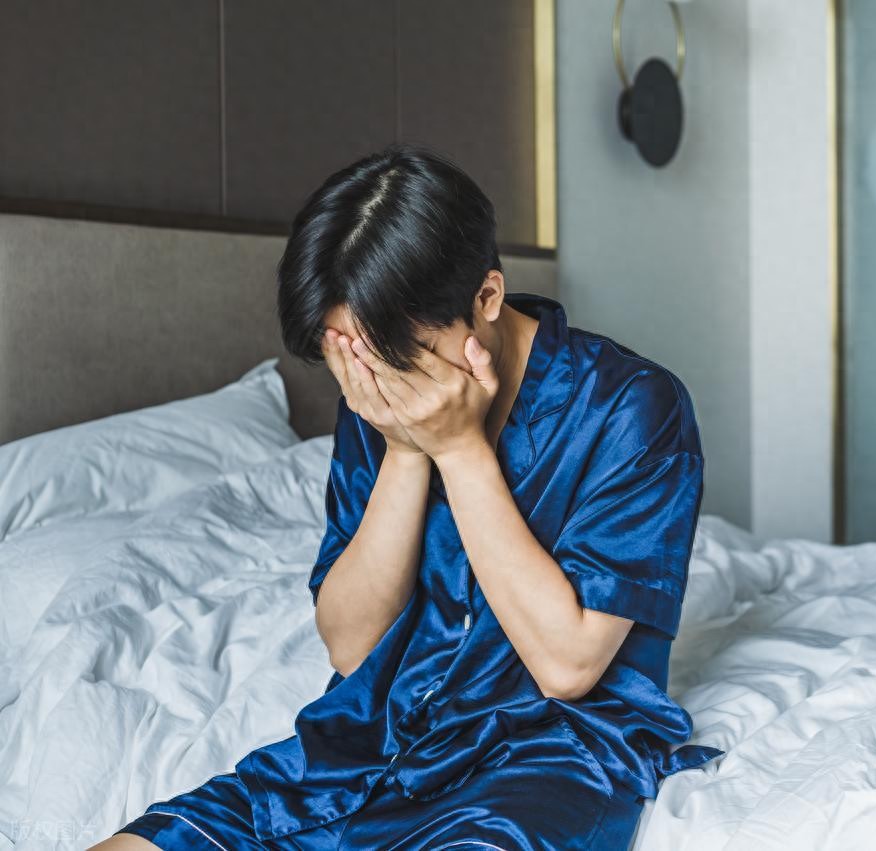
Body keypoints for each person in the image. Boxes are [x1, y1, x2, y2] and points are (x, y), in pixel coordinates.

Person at [92, 144, 723, 850]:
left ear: (487, 298)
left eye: (398, 359)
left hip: (543, 763)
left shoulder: (632, 407)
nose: (378, 384)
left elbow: (567, 666)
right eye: (353, 360)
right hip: (366, 746)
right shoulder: (375, 396)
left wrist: (460, 449)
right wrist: (403, 446)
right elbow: (352, 646)